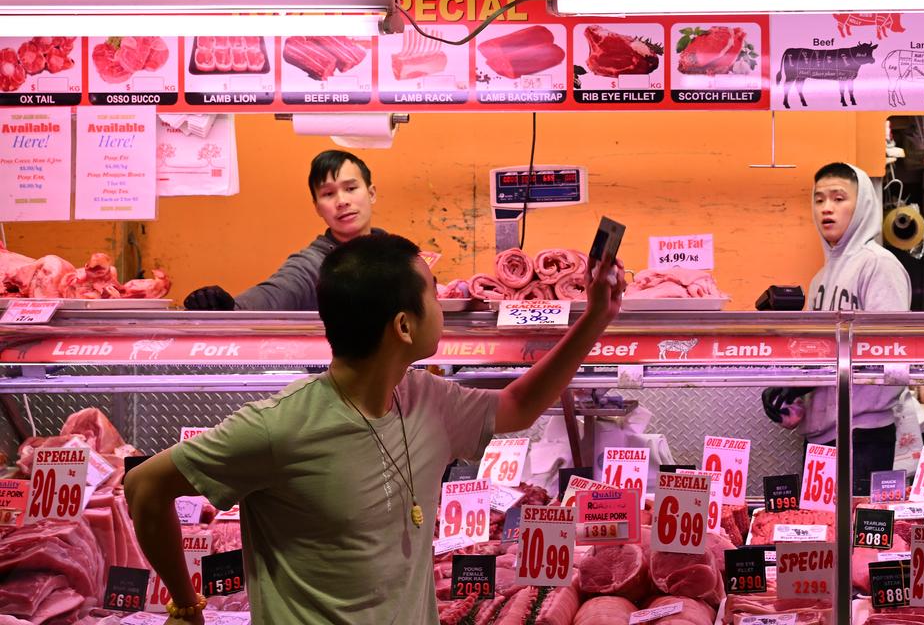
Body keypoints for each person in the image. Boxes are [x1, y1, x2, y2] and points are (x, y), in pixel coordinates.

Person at [125, 233, 626, 624]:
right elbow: (144, 485)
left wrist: (596, 318)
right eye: (432, 294)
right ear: (404, 327)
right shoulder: (280, 427)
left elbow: (518, 404)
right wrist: (186, 609)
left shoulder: (427, 398)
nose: (443, 307)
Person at [763, 162, 912, 495]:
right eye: (818, 200)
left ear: (861, 206)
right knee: (822, 536)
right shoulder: (819, 280)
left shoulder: (878, 265)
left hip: (862, 435)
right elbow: (818, 354)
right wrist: (793, 387)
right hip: (821, 437)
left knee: (855, 541)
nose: (826, 208)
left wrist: (813, 375)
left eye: (838, 198)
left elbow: (886, 354)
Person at [183, 149, 382, 311]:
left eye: (350, 189)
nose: (342, 202)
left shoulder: (401, 256)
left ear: (371, 193)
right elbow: (275, 293)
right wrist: (230, 308)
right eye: (328, 193)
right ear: (317, 207)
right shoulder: (311, 265)